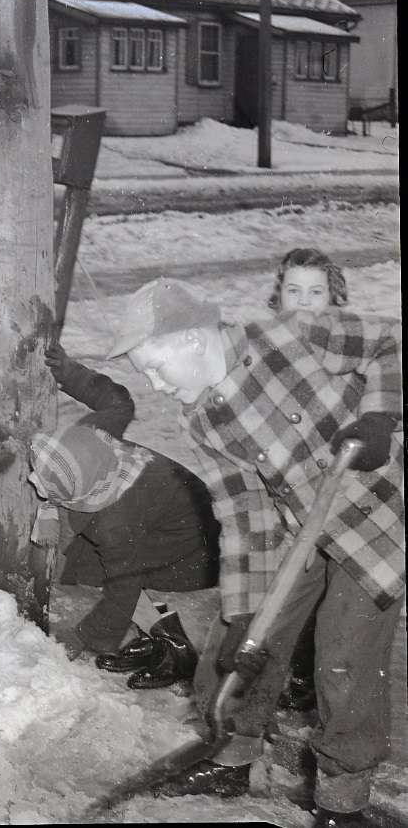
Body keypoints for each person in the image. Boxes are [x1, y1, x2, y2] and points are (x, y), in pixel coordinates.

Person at [109, 277, 403, 828]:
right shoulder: (198, 418)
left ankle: (343, 800)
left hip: (376, 517)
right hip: (302, 527)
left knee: (344, 658)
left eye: (156, 366)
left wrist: (381, 415)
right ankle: (232, 755)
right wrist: (246, 609)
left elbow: (392, 340)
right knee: (242, 640)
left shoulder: (293, 335)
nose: (153, 384)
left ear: (194, 338)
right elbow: (242, 512)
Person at [29, 343, 219, 689]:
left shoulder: (115, 524)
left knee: (115, 575)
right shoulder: (94, 439)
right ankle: (155, 633)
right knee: (88, 565)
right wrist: (69, 373)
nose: (31, 481)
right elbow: (119, 400)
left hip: (195, 549)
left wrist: (84, 636)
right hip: (179, 510)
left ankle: (176, 648)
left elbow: (123, 585)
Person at [266, 247, 348, 714]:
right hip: (290, 495)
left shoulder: (348, 350)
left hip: (342, 493)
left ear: (333, 299)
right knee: (287, 594)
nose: (304, 301)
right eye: (293, 291)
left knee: (333, 602)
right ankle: (291, 676)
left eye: (316, 292)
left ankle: (310, 679)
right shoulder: (268, 350)